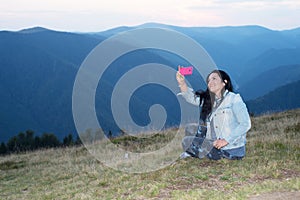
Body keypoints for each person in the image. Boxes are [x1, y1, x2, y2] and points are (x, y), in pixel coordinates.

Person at [176, 66, 251, 160]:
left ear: (224, 82)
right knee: (190, 128)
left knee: (186, 141)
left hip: (230, 150)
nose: (210, 82)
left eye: (214, 78)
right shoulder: (211, 100)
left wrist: (225, 140)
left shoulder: (234, 99)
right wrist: (182, 83)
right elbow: (191, 98)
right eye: (209, 80)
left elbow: (245, 124)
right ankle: (195, 151)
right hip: (216, 140)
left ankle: (195, 151)